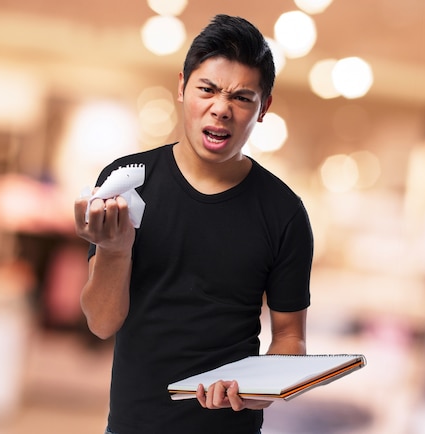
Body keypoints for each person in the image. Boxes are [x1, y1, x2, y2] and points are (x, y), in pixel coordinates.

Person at [74, 14, 313, 434]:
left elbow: (290, 336)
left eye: (242, 97)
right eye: (208, 89)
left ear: (263, 109)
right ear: (183, 87)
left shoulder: (284, 213)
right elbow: (101, 322)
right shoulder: (130, 183)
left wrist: (267, 388)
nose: (221, 108)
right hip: (134, 423)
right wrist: (115, 249)